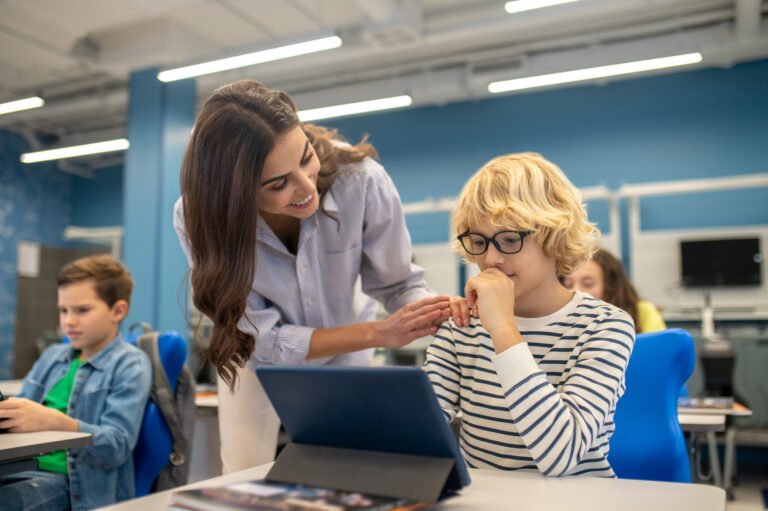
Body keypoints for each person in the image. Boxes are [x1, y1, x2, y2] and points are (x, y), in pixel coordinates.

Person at [174, 80, 463, 470]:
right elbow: (262, 339)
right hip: (257, 360)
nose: (307, 187)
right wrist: (379, 333)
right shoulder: (198, 218)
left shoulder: (360, 178)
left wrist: (434, 313)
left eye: (305, 158)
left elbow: (399, 284)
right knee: (242, 473)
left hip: (348, 351)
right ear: (235, 194)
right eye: (279, 184)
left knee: (351, 470)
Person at [424, 152, 636, 477]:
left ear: (554, 238)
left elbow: (560, 453)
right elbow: (418, 431)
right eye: (479, 241)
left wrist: (503, 328)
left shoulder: (606, 325)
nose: (491, 258)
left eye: (509, 239)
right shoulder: (461, 326)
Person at [0, 255, 151, 511]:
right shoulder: (53, 356)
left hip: (72, 485)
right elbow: (16, 412)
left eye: (82, 310)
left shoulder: (129, 364)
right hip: (19, 469)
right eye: (63, 310)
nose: (69, 321)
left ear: (118, 311)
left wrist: (56, 421)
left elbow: (117, 446)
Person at [561, 249, 667, 333]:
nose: (576, 291)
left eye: (588, 284)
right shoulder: (564, 318)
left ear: (610, 286)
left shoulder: (642, 311)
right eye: (568, 284)